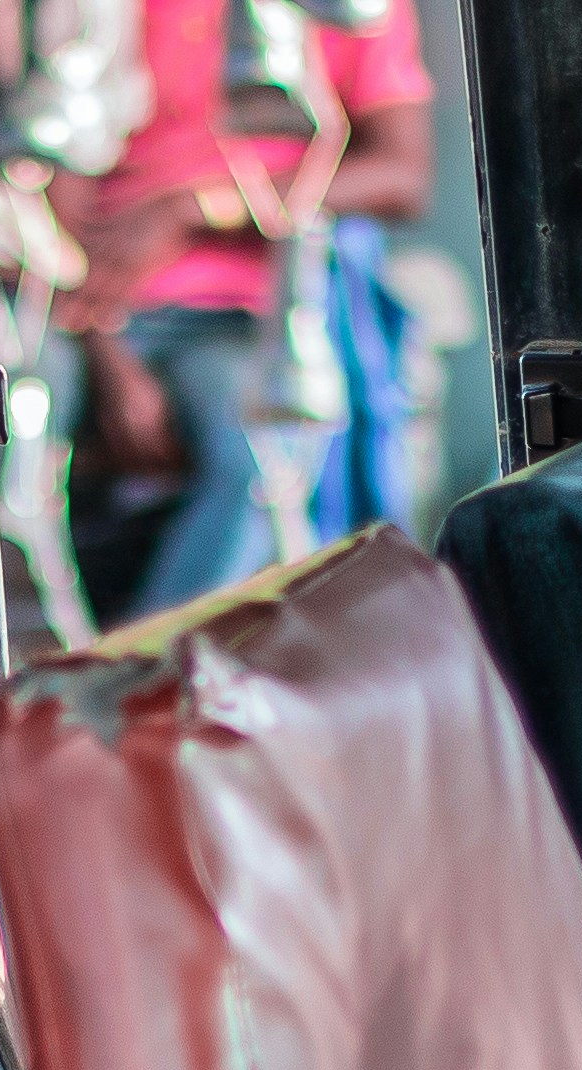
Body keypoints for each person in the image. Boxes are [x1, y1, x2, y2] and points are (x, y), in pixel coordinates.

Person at [56, 0, 430, 622]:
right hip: (85, 305)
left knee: (260, 451)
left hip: (237, 317)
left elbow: (400, 175)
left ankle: (150, 681)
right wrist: (103, 341)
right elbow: (53, 159)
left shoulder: (351, 12)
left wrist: (197, 209)